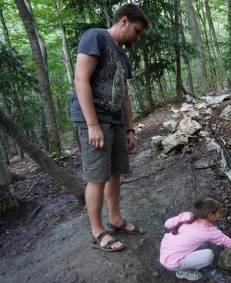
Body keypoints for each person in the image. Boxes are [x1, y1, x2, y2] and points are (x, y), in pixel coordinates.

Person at [71, 3, 149, 252]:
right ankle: (96, 231)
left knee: (115, 172)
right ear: (124, 21)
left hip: (115, 121)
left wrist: (130, 130)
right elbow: (81, 79)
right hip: (94, 120)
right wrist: (92, 125)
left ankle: (115, 220)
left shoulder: (122, 55)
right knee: (97, 176)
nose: (138, 38)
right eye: (137, 31)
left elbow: (124, 95)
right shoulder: (96, 37)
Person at [159, 196, 231, 281]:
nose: (220, 214)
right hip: (172, 263)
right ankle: (184, 272)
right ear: (210, 215)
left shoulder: (187, 215)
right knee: (208, 255)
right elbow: (228, 242)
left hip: (165, 250)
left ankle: (182, 265)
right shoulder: (209, 231)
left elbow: (167, 224)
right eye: (219, 212)